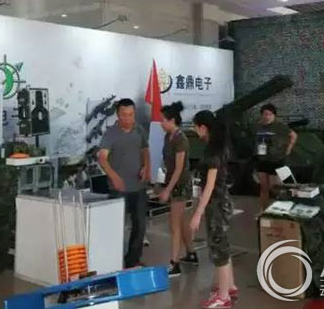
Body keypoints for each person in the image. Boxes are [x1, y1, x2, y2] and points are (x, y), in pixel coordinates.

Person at [190, 110, 237, 309]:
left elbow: (209, 185)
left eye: (195, 126)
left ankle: (223, 297)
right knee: (222, 245)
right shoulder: (219, 146)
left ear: (203, 127)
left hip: (216, 204)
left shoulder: (212, 151)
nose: (194, 130)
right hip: (222, 201)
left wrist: (198, 213)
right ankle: (229, 286)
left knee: (219, 249)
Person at [98, 98, 151, 268]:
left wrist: (146, 167)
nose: (127, 119)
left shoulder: (139, 130)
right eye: (124, 115)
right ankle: (112, 261)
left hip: (138, 186)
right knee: (116, 226)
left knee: (140, 225)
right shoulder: (110, 134)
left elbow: (145, 150)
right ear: (117, 115)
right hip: (118, 188)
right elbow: (102, 158)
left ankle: (132, 261)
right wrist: (114, 177)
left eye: (130, 115)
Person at [158, 101, 197, 277]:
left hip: (180, 184)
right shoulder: (168, 137)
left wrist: (168, 189)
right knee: (180, 222)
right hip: (171, 181)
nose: (161, 123)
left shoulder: (181, 139)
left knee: (174, 225)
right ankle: (191, 253)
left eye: (163, 120)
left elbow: (179, 168)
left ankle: (174, 263)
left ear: (172, 120)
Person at [255, 104, 298, 211]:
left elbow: (293, 135)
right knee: (263, 188)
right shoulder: (259, 126)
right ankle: (263, 210)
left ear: (274, 115)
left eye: (270, 114)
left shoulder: (279, 126)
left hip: (276, 160)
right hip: (263, 160)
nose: (267, 117)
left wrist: (288, 148)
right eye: (265, 114)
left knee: (275, 188)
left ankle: (280, 209)